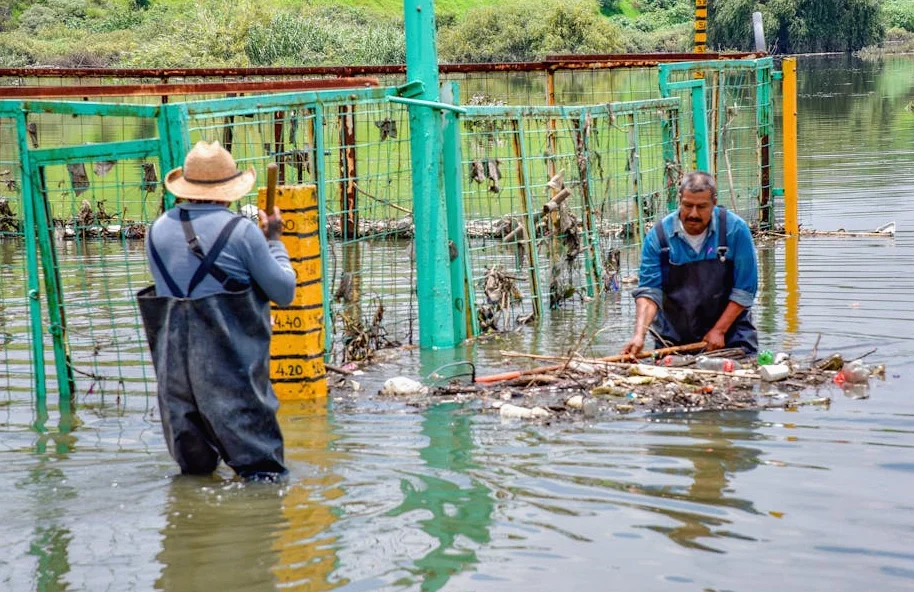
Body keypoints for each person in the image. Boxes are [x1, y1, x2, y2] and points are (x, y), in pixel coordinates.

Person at [137, 141, 296, 481]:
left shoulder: (156, 231)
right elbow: (284, 292)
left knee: (195, 475)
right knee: (263, 475)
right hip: (230, 370)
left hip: (174, 377)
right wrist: (275, 241)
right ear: (231, 189)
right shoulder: (242, 232)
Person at [622, 171, 758, 357]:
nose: (693, 214)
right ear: (680, 200)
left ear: (714, 203)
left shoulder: (736, 230)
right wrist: (639, 335)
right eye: (687, 205)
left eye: (702, 207)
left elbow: (745, 290)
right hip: (674, 341)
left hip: (731, 337)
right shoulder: (659, 236)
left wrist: (719, 330)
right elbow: (649, 293)